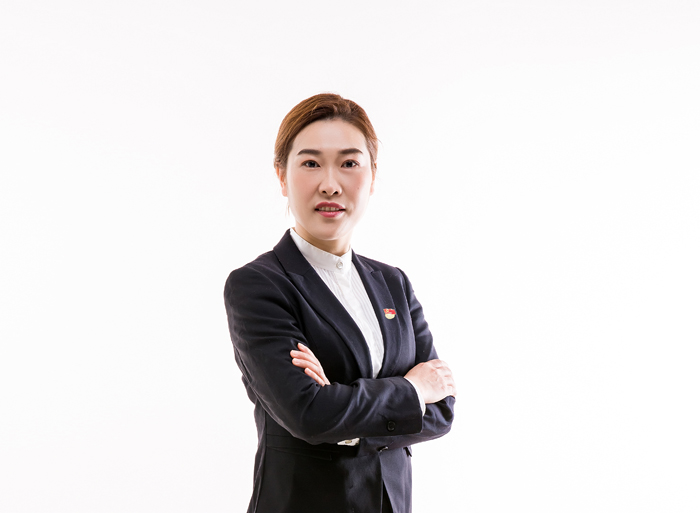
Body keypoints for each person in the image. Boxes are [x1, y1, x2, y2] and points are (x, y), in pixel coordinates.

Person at [224, 93, 457, 513]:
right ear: (282, 176)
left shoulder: (393, 283)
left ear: (372, 177)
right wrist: (412, 389)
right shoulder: (258, 286)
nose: (330, 184)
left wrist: (342, 407)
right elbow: (309, 414)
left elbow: (442, 410)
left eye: (349, 163)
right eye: (311, 163)